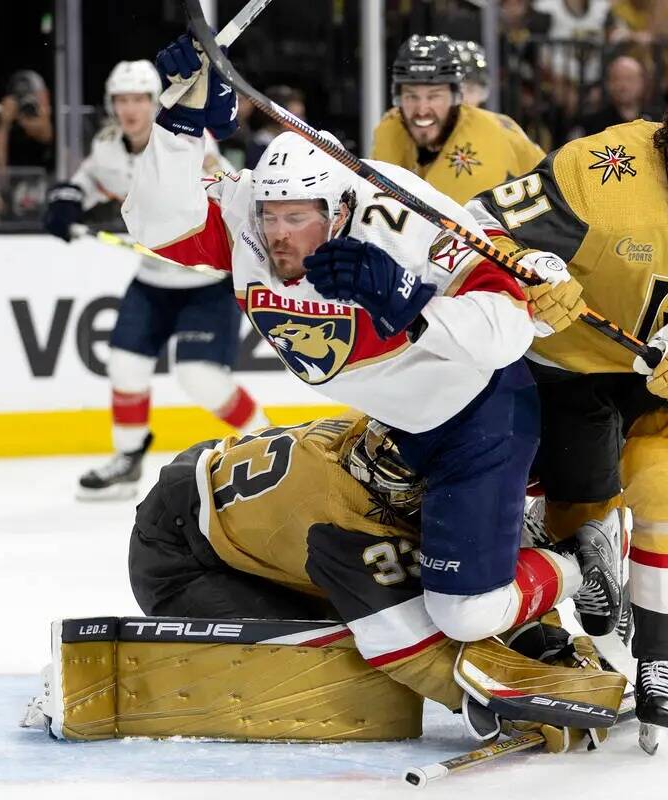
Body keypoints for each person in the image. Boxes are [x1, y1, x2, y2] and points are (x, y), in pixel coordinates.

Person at [123, 35, 622, 654]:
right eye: (270, 217)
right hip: (392, 428)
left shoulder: (401, 216)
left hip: (478, 418)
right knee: (410, 580)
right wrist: (178, 126)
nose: (278, 236)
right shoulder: (251, 214)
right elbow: (153, 225)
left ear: (339, 211)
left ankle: (579, 558)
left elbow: (509, 329)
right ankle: (514, 539)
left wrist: (411, 306)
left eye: (298, 217)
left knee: (464, 615)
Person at [468, 62, 668, 748]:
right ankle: (590, 557)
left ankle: (663, 666)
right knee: (577, 519)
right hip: (570, 366)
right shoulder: (597, 170)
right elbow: (475, 230)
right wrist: (530, 273)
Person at [125, 412, 627, 746]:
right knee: (331, 658)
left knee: (441, 574)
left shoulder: (401, 449)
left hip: (241, 495)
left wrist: (545, 643)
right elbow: (409, 646)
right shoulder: (338, 521)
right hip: (178, 555)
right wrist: (500, 698)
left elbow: (481, 570)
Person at [43, 59, 268, 500]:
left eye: (139, 99)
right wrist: (67, 199)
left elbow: (219, 189)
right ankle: (127, 461)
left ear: (155, 102)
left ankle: (268, 444)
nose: (130, 109)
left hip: (206, 280)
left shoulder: (187, 143)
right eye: (121, 100)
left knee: (199, 376)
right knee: (126, 365)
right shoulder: (109, 146)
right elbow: (88, 179)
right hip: (152, 280)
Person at [370, 35, 545, 205]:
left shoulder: (484, 141)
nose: (422, 110)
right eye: (411, 96)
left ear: (456, 97)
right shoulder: (390, 127)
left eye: (434, 96)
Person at [568, 55, 648, 139]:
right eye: (616, 79)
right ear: (608, 83)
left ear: (642, 82)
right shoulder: (591, 124)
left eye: (629, 79)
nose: (623, 86)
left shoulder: (656, 122)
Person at [0, 70, 54, 171]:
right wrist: (3, 125)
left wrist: (24, 119)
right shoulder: (10, 127)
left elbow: (46, 135)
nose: (28, 102)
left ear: (46, 94)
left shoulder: (58, 119)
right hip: (16, 182)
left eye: (33, 95)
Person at [454, 40, 490, 107]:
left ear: (483, 94)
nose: (463, 99)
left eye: (470, 90)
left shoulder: (495, 118)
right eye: (456, 90)